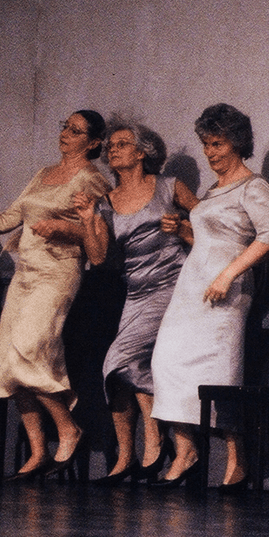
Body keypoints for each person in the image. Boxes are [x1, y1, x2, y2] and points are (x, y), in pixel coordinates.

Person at [0, 111, 111, 480]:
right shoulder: (42, 174)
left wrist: (64, 227)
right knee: (9, 360)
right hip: (24, 274)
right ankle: (38, 449)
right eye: (64, 127)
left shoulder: (92, 179)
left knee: (28, 348)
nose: (65, 134)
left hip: (58, 272)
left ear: (94, 142)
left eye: (75, 130)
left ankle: (68, 429)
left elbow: (97, 237)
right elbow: (4, 221)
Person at [150, 104, 269, 491]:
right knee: (167, 363)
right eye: (206, 144)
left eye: (217, 143)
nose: (210, 152)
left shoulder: (254, 186)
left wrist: (228, 274)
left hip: (227, 291)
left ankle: (237, 463)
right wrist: (184, 232)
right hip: (192, 287)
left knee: (220, 375)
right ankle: (186, 450)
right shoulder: (212, 191)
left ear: (237, 143)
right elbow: (208, 239)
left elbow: (268, 238)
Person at [73, 122, 197, 484]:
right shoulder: (108, 202)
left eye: (123, 144)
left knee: (119, 360)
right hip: (136, 292)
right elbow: (98, 258)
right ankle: (127, 457)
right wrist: (87, 220)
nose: (113, 150)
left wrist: (186, 226)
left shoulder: (169, 187)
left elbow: (211, 223)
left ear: (142, 152)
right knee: (116, 375)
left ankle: (156, 440)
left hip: (172, 286)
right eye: (111, 145)